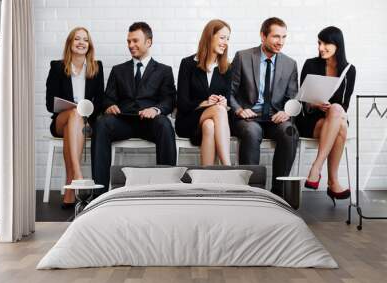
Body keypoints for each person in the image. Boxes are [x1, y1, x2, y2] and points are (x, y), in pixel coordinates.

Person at [92, 22, 177, 191]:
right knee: (101, 123)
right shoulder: (118, 70)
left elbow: (169, 99)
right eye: (128, 41)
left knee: (165, 125)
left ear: (148, 42)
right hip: (123, 122)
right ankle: (99, 192)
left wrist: (155, 110)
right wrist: (109, 106)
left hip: (149, 123)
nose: (131, 45)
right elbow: (107, 98)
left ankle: (166, 188)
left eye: (135, 41)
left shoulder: (164, 70)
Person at [229, 17, 299, 197]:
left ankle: (278, 192)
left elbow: (293, 97)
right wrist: (238, 109)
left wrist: (286, 112)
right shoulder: (243, 57)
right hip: (248, 116)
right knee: (252, 132)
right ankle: (252, 191)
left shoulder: (290, 64)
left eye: (284, 37)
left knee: (290, 132)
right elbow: (229, 92)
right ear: (263, 36)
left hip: (275, 117)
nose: (280, 42)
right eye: (276, 37)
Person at [296, 26, 356, 205]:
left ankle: (316, 167)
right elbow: (302, 100)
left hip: (334, 119)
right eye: (319, 43)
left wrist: (332, 108)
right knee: (341, 126)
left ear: (337, 44)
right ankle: (333, 182)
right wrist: (315, 104)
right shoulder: (310, 64)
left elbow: (344, 105)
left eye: (326, 43)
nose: (321, 47)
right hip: (311, 121)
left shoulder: (349, 71)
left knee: (337, 111)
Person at [46, 27, 104, 207]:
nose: (81, 42)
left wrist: (85, 112)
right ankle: (79, 175)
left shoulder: (96, 67)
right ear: (70, 44)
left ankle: (70, 191)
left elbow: (100, 102)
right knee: (73, 114)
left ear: (89, 45)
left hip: (85, 122)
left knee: (76, 119)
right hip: (61, 120)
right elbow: (50, 104)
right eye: (77, 39)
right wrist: (74, 110)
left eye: (85, 40)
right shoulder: (57, 67)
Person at [175, 19, 232, 165]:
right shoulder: (187, 64)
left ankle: (207, 178)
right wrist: (205, 103)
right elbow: (182, 103)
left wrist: (225, 103)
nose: (225, 42)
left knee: (209, 125)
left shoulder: (226, 68)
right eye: (222, 37)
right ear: (210, 36)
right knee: (218, 111)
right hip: (188, 120)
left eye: (228, 39)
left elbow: (229, 99)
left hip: (212, 122)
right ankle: (228, 166)